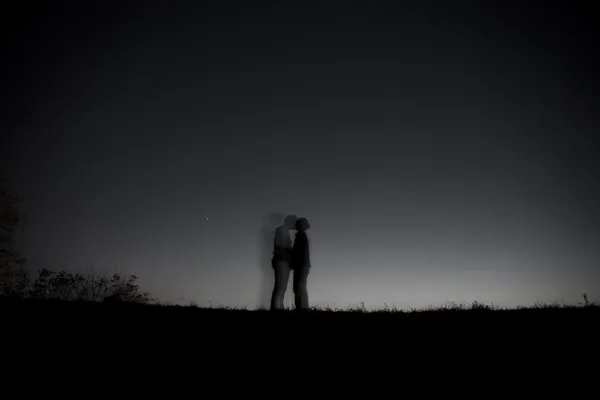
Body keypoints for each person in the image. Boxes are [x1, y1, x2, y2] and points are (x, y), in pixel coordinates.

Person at [270, 214, 297, 310]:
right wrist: (292, 252)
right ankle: (277, 309)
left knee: (281, 287)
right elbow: (282, 246)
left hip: (283, 261)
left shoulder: (283, 230)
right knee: (280, 287)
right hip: (282, 261)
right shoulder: (281, 230)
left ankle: (277, 308)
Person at [291, 217, 311, 310]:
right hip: (301, 265)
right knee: (299, 287)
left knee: (300, 287)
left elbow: (300, 253)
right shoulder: (300, 236)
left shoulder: (301, 236)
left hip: (301, 265)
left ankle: (302, 308)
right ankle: (301, 308)